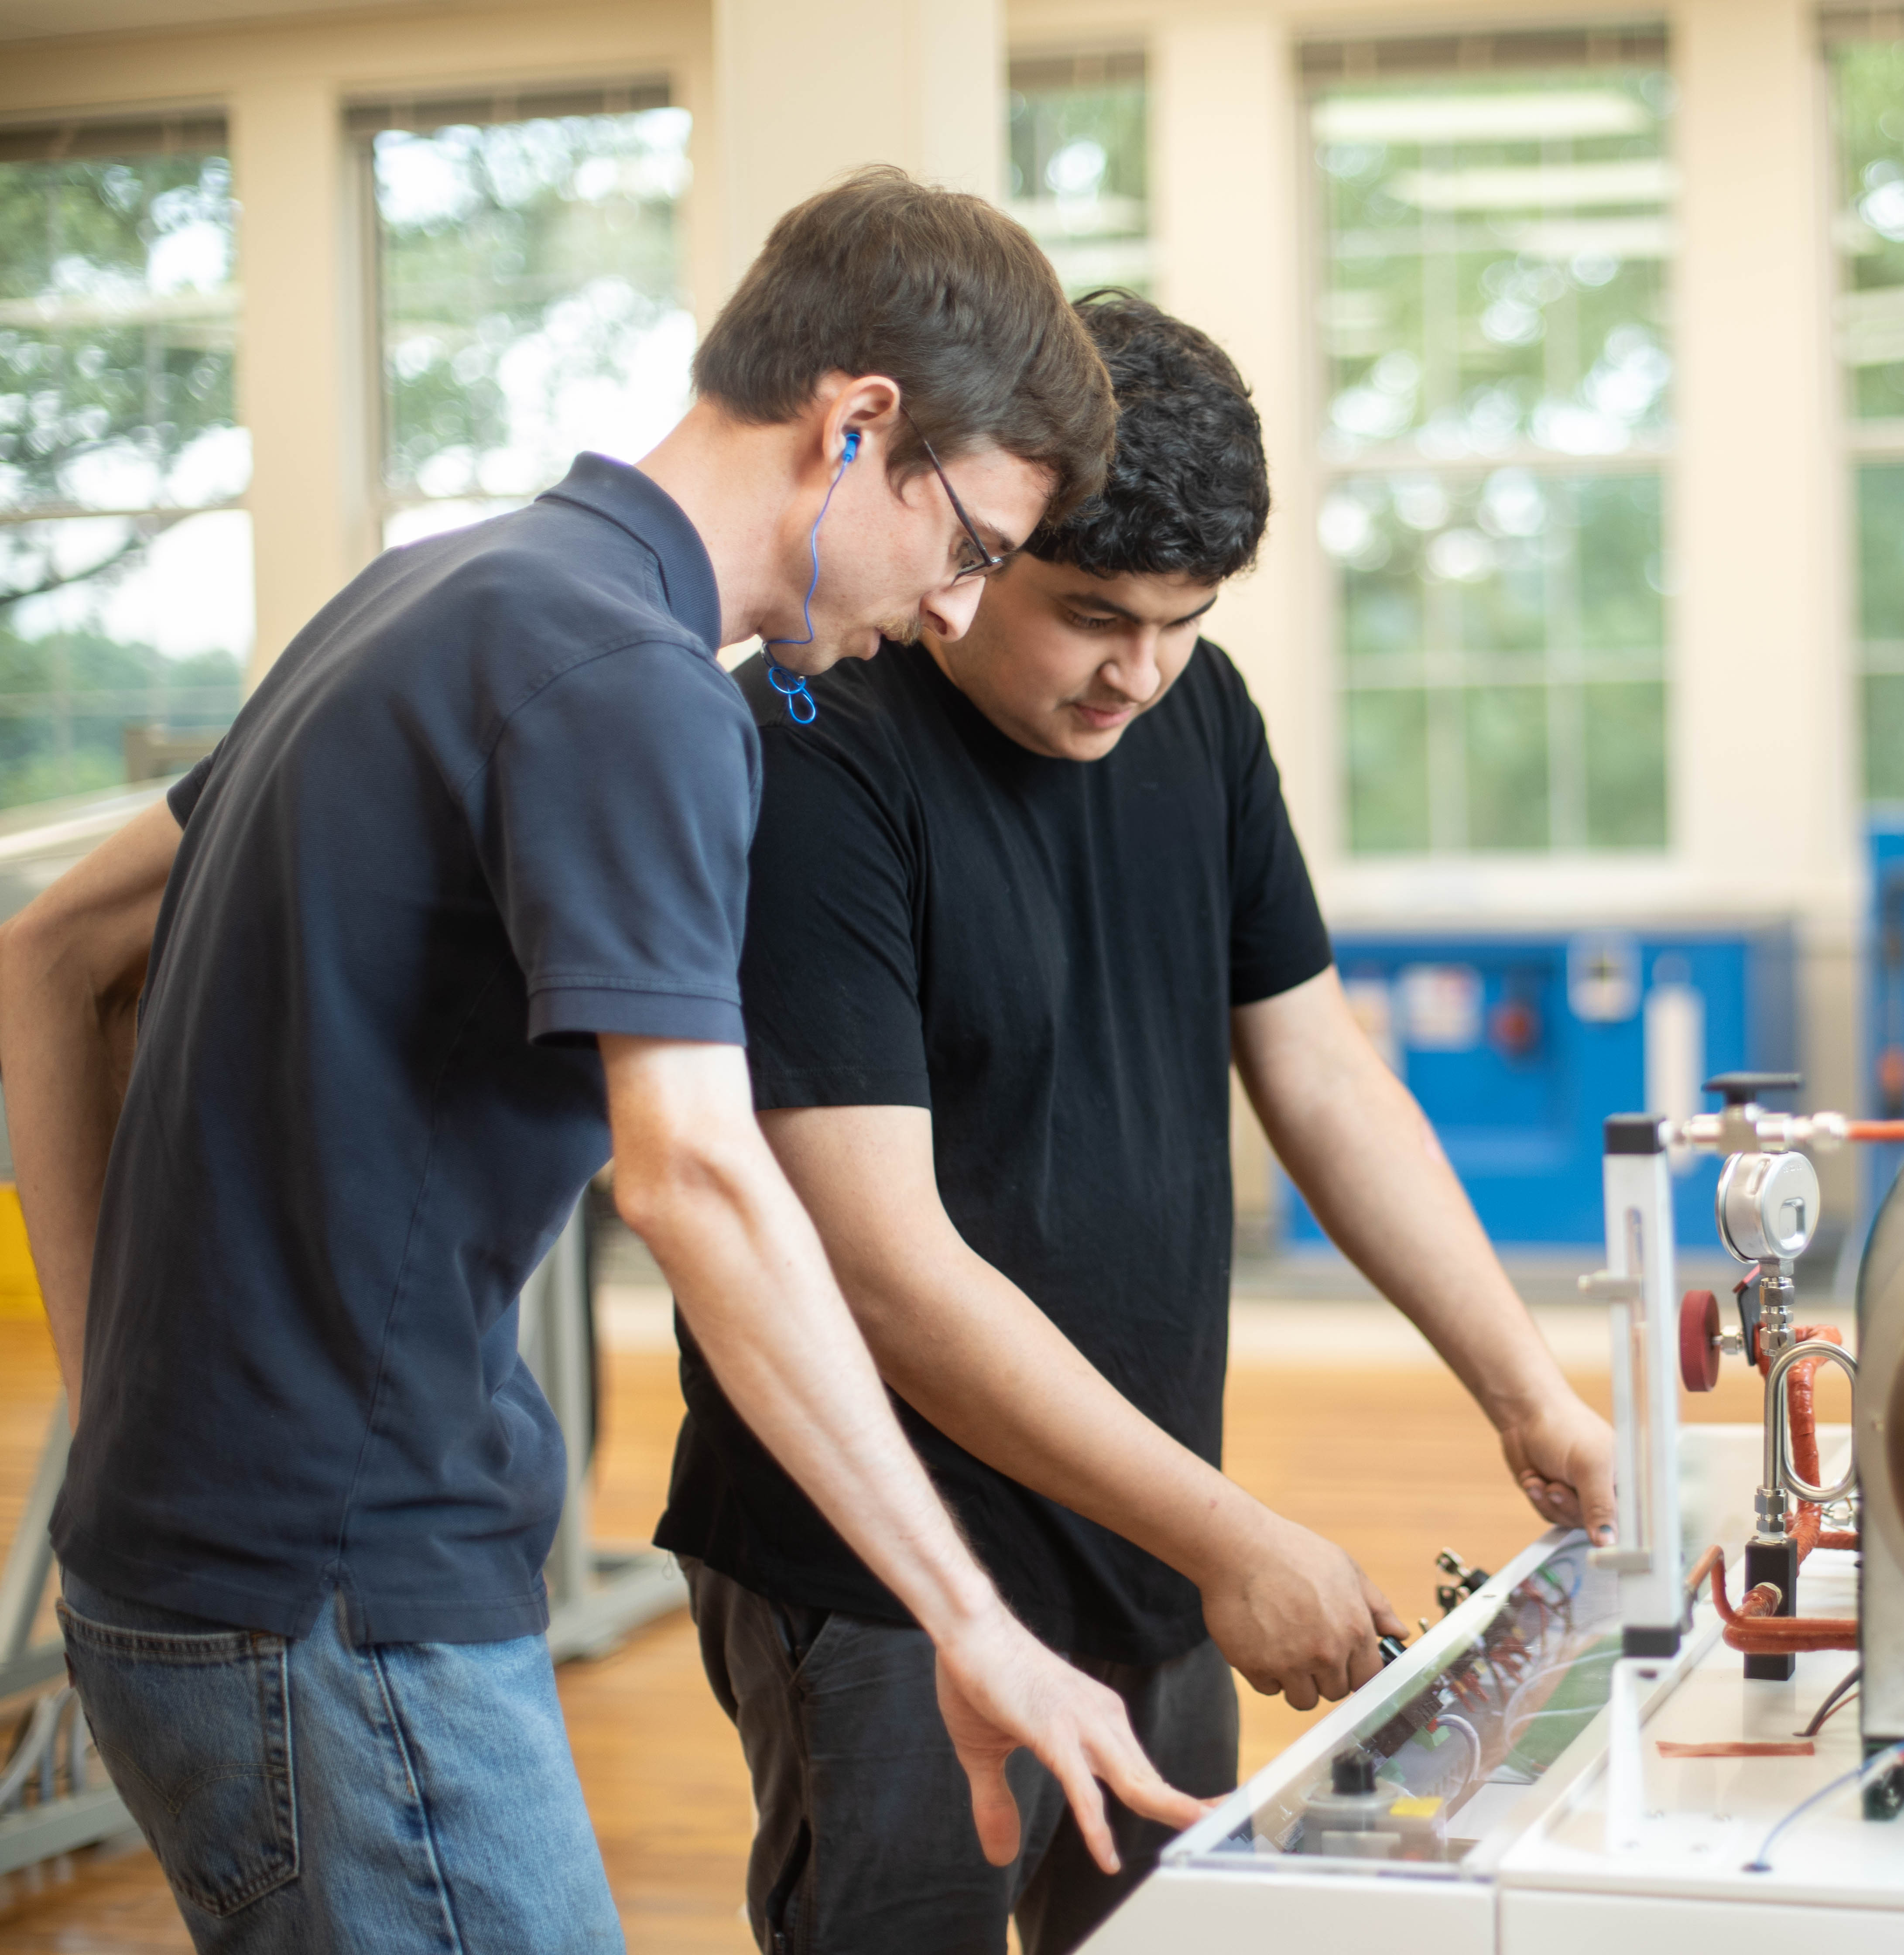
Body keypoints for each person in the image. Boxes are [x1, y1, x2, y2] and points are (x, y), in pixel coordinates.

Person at [0, 171, 1202, 1953]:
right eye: (973, 549)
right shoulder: (633, 682)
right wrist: (975, 1616)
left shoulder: (435, 590)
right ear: (860, 426)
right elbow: (698, 1175)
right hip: (347, 1598)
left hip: (196, 1580)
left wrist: (117, 1407)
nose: (957, 613)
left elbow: (45, 950)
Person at [655, 291, 1618, 1955]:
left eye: (1185, 620)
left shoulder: (1200, 713)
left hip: (1151, 1535)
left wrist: (1531, 1399)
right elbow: (883, 1270)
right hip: (892, 1571)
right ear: (983, 532)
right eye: (1095, 612)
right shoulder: (810, 752)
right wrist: (1237, 1536)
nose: (1140, 672)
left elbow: (1320, 1074)